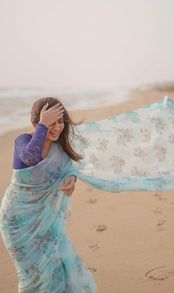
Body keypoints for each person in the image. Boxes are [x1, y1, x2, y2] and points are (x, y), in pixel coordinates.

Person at [0, 97, 96, 292]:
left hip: (46, 219)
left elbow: (70, 169)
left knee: (57, 269)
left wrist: (72, 180)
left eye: (60, 121)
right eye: (51, 122)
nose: (57, 127)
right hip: (17, 222)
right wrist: (43, 125)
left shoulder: (60, 148)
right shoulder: (23, 141)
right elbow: (30, 157)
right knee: (33, 277)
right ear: (35, 124)